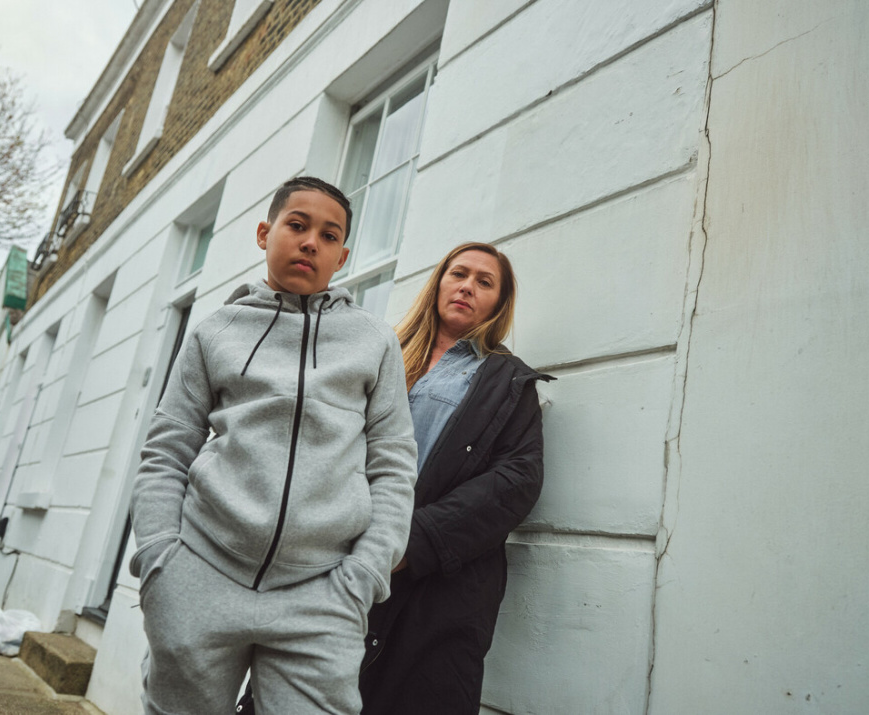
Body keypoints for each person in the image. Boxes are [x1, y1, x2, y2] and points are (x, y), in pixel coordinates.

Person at [128, 176, 418, 715]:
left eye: (329, 236)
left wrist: (364, 576)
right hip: (200, 576)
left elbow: (395, 466)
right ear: (265, 233)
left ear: (342, 255)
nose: (311, 242)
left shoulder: (374, 342)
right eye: (297, 225)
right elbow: (166, 451)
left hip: (323, 594)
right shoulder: (215, 331)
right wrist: (159, 561)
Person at [358, 242, 552, 715]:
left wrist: (412, 544)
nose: (468, 286)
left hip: (434, 591)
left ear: (499, 304)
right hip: (340, 560)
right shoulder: (378, 353)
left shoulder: (505, 380)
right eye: (459, 274)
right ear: (439, 283)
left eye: (485, 282)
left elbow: (516, 481)